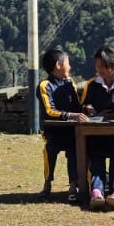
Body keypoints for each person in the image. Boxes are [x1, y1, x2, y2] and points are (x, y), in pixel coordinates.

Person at [79, 46, 114, 210]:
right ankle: (97, 191)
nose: (98, 70)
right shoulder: (91, 85)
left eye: (102, 66)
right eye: (97, 65)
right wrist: (90, 110)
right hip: (95, 134)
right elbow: (82, 107)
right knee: (96, 158)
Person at [37, 46, 84, 199]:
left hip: (71, 131)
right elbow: (49, 111)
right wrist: (69, 115)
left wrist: (86, 109)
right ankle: (47, 184)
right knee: (50, 150)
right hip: (53, 131)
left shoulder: (70, 84)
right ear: (58, 65)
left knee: (74, 150)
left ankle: (73, 185)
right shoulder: (45, 85)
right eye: (68, 63)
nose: (70, 67)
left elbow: (77, 106)